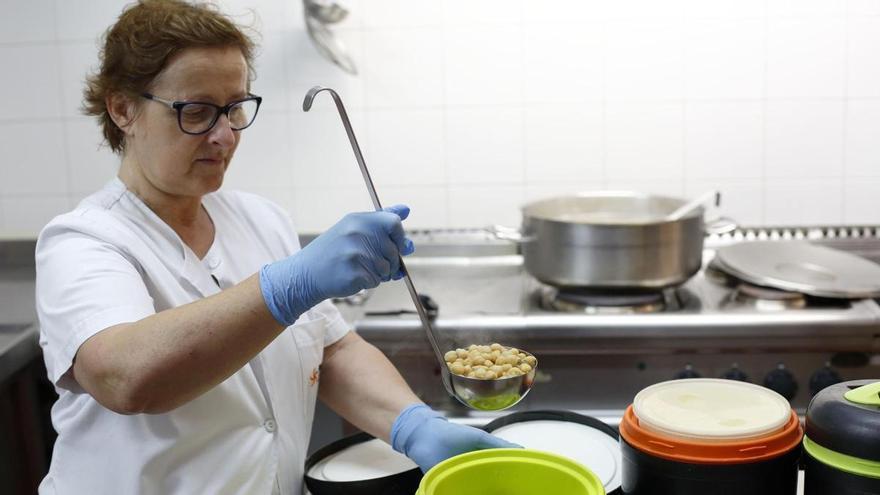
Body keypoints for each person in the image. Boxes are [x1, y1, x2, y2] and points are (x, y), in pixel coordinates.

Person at [34, 1, 514, 493]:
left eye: (236, 107)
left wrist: (413, 424)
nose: (225, 136)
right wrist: (287, 286)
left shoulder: (260, 220)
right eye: (197, 112)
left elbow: (333, 350)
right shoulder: (83, 241)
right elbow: (123, 379)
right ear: (123, 109)